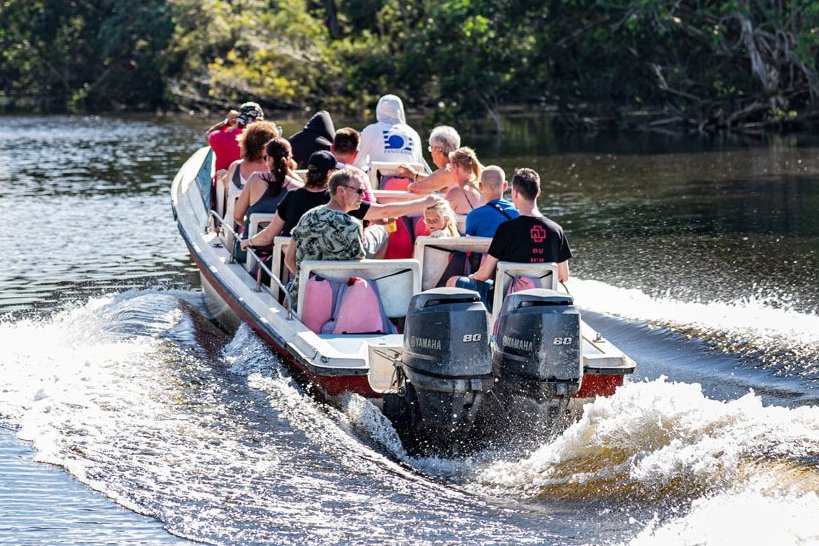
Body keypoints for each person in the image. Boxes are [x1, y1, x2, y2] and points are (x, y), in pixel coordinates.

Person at [244, 152, 443, 258]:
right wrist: (424, 202)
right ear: (331, 175)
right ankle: (369, 277)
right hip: (336, 263)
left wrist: (248, 242)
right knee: (382, 230)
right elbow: (385, 211)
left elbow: (270, 236)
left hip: (298, 260)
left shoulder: (293, 196)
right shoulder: (344, 199)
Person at [446, 168, 572, 308]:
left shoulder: (506, 229)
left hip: (507, 302)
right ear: (538, 192)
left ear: (515, 193)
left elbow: (484, 274)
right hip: (544, 302)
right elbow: (563, 276)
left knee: (452, 281)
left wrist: (473, 277)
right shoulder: (557, 230)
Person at [283, 169, 366, 310]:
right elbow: (360, 270)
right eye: (359, 190)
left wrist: (308, 280)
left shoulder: (308, 216)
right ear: (341, 191)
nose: (363, 195)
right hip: (337, 306)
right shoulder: (352, 225)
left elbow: (289, 260)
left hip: (300, 301)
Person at [233, 137, 303, 237]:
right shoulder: (297, 187)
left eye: (265, 158)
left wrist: (251, 225)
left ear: (268, 159)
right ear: (289, 160)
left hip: (250, 246)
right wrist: (287, 170)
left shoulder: (255, 179)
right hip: (281, 250)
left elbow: (237, 216)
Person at [354, 94, 426, 169]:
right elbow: (419, 164)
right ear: (400, 110)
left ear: (378, 110)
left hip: (379, 180)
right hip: (410, 179)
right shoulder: (413, 133)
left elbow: (359, 163)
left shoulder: (371, 130)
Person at [223, 120, 280, 202]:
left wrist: (223, 175)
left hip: (232, 214)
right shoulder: (275, 170)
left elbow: (226, 185)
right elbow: (299, 185)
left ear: (245, 143)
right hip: (264, 214)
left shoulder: (235, 167)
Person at [206, 102, 265, 175]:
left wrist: (227, 123)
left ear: (239, 119)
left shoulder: (218, 137)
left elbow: (208, 135)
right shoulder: (266, 141)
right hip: (255, 184)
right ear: (259, 121)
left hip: (224, 184)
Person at [398, 126, 461, 194]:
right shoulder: (461, 167)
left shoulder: (448, 170)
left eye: (431, 148)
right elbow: (437, 180)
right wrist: (414, 174)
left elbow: (414, 187)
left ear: (438, 150)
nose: (431, 153)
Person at [464, 165, 520, 238]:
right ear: (505, 185)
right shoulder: (518, 213)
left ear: (480, 186)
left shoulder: (473, 216)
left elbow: (469, 244)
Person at [331, 127, 375, 202]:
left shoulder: (319, 170)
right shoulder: (360, 175)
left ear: (331, 149)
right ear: (356, 153)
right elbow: (370, 202)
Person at [445, 147, 486, 215]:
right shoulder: (481, 190)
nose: (448, 169)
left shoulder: (456, 193)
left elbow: (439, 217)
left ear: (455, 167)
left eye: (450, 165)